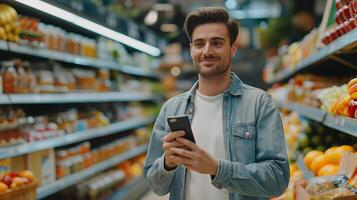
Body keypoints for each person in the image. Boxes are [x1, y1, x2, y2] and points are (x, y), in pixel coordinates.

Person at [143, 7, 289, 200]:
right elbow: (156, 185)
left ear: (233, 48)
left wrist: (217, 169)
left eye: (217, 43)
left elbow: (277, 180)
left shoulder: (259, 104)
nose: (207, 51)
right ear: (191, 49)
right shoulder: (172, 109)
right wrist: (168, 163)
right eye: (199, 43)